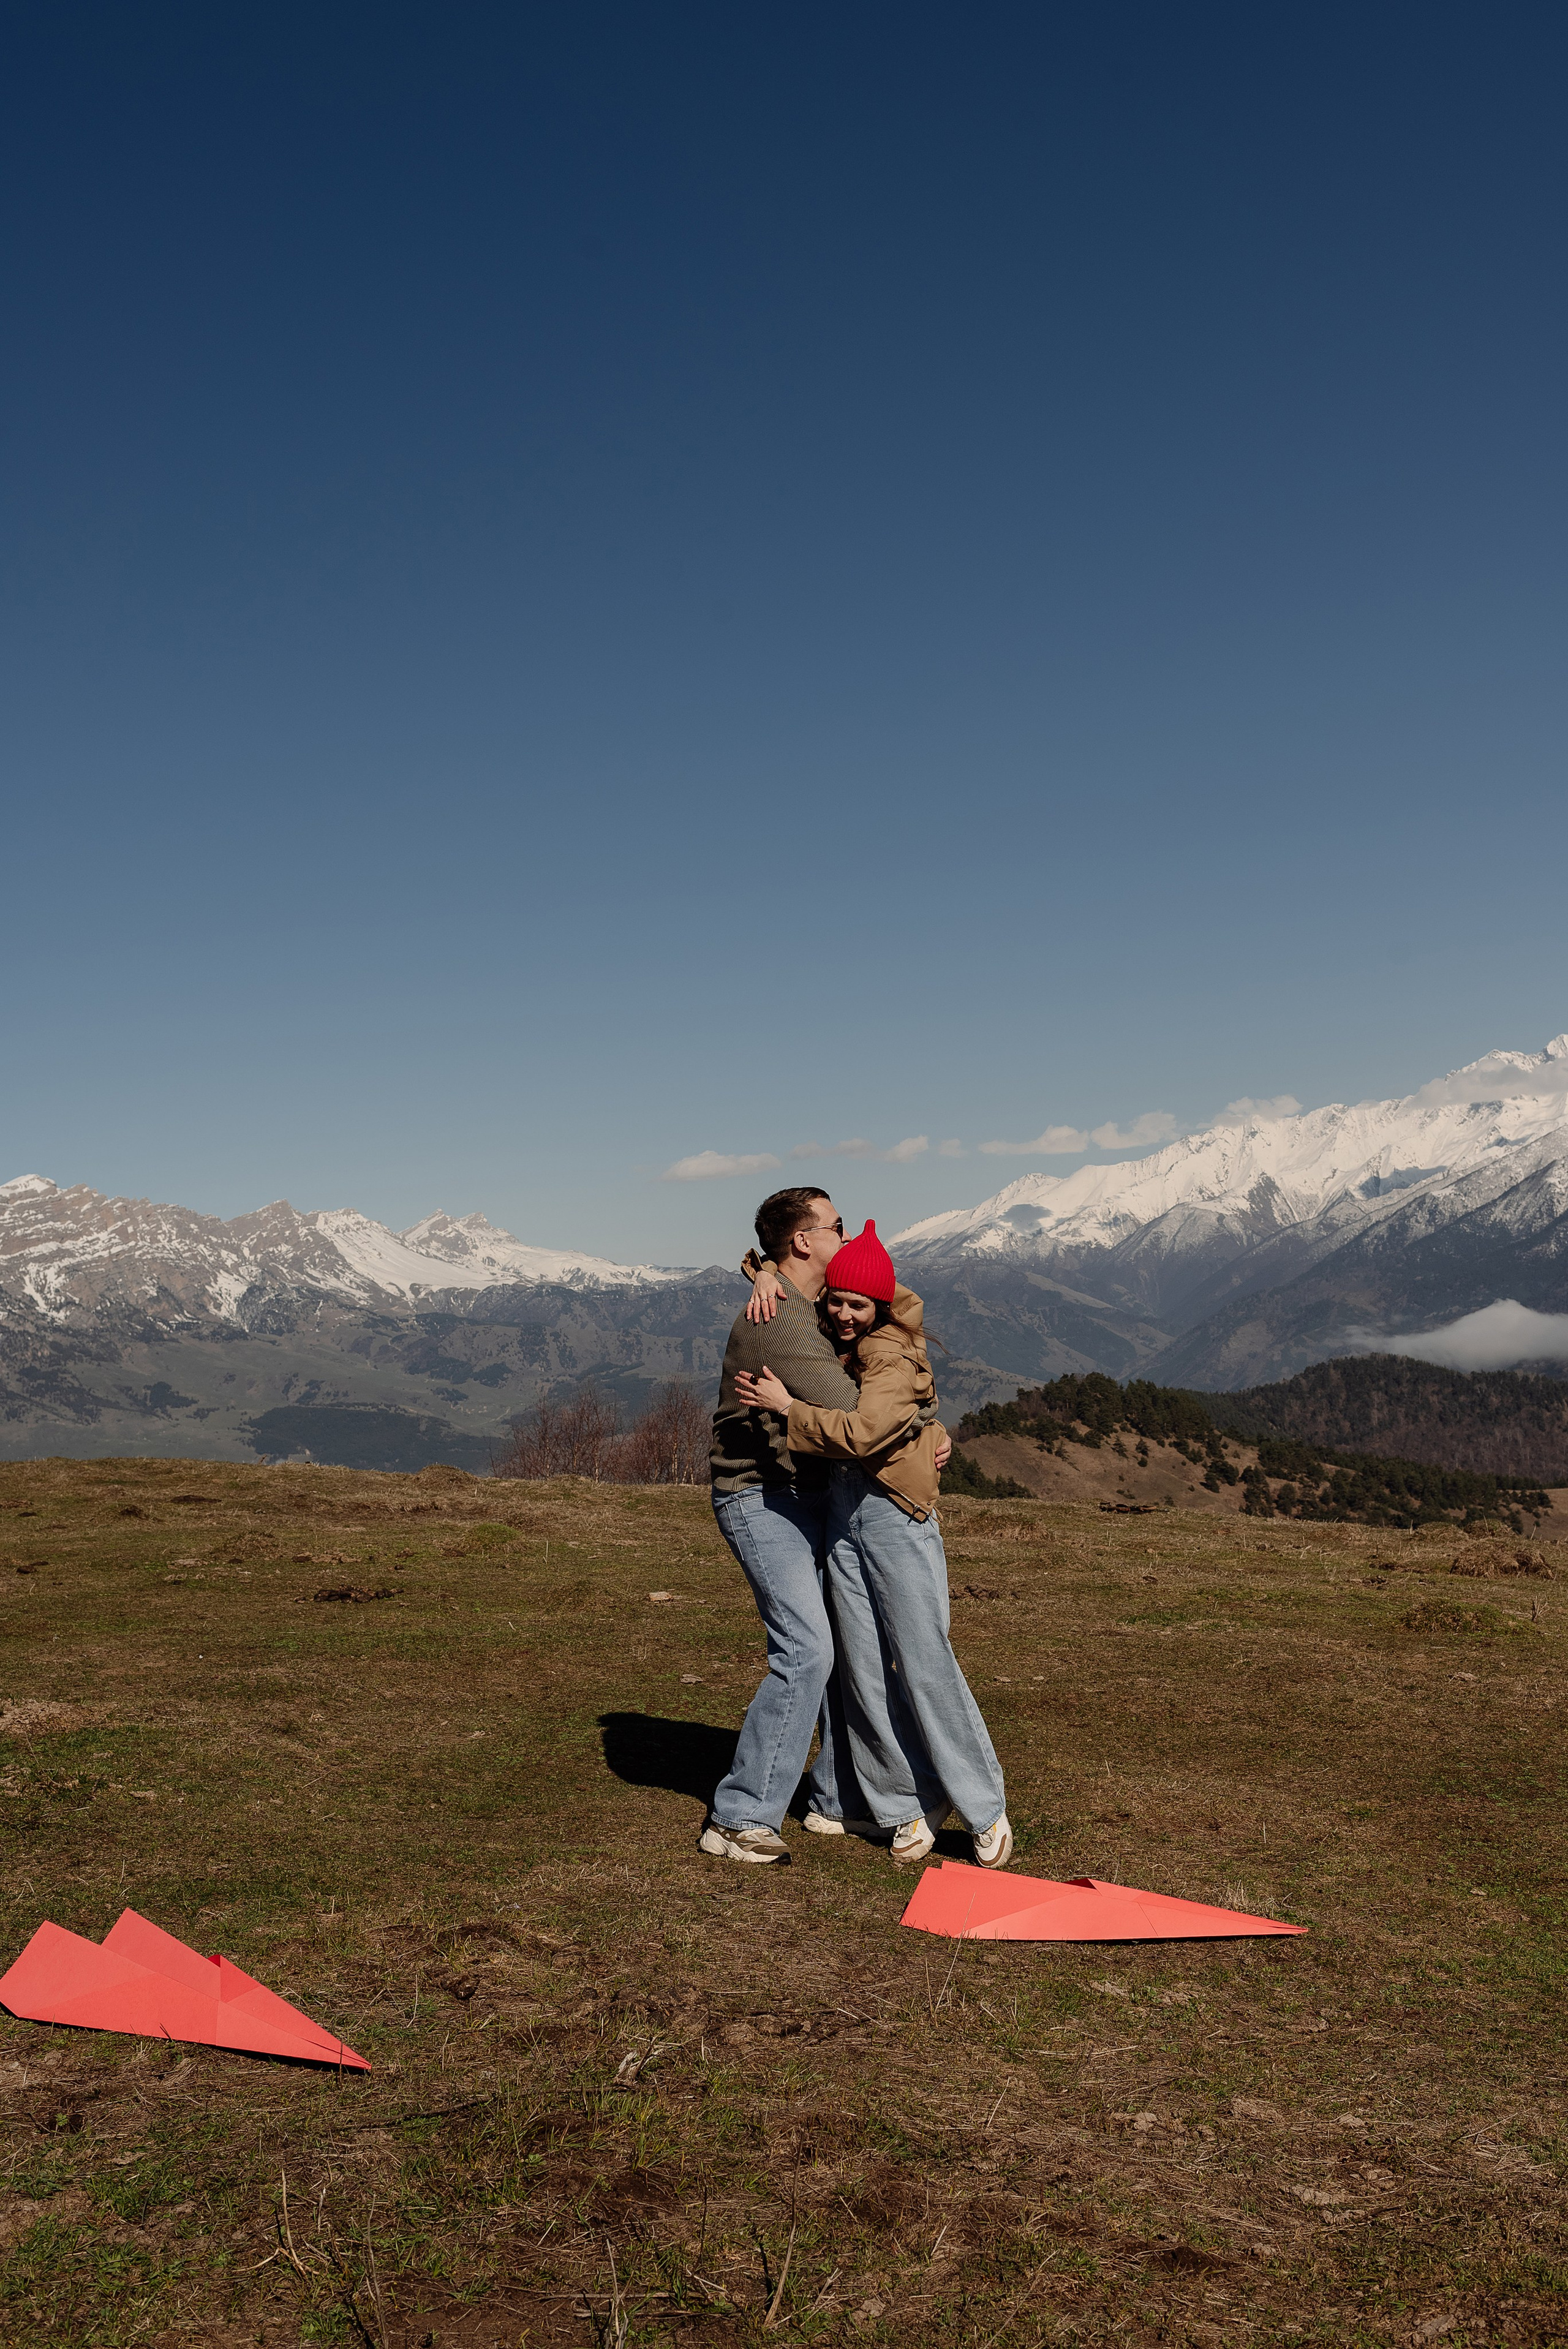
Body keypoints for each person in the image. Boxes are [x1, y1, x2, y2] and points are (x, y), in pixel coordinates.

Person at [735, 1220, 1013, 1871]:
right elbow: (785, 1283)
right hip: (841, 1514)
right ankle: (902, 1808)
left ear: (880, 1304)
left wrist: (786, 1407)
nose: (843, 1313)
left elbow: (863, 1431)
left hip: (893, 1515)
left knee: (923, 1661)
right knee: (860, 1670)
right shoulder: (833, 1332)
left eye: (857, 1304)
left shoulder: (890, 1352)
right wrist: (765, 1272)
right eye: (836, 1300)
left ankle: (983, 1808)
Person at [703, 1188, 918, 1863]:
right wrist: (921, 1430)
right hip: (761, 1498)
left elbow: (890, 1298)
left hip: (806, 1494)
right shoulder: (784, 1326)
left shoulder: (799, 1302)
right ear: (802, 1241)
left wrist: (759, 1267)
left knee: (844, 1647)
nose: (847, 1236)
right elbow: (860, 1417)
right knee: (807, 1650)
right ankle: (738, 1818)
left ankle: (837, 1800)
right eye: (838, 1227)